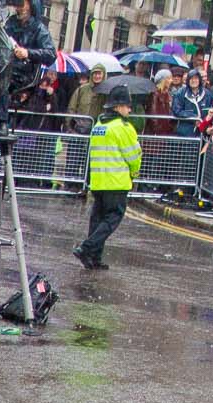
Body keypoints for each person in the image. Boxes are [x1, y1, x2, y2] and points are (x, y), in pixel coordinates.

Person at [77, 90, 140, 270]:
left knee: (98, 219)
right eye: (128, 106)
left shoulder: (99, 125)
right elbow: (133, 155)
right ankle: (87, 248)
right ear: (118, 107)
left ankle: (93, 258)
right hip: (116, 181)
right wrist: (135, 174)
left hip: (98, 181)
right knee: (113, 218)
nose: (129, 110)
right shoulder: (123, 127)